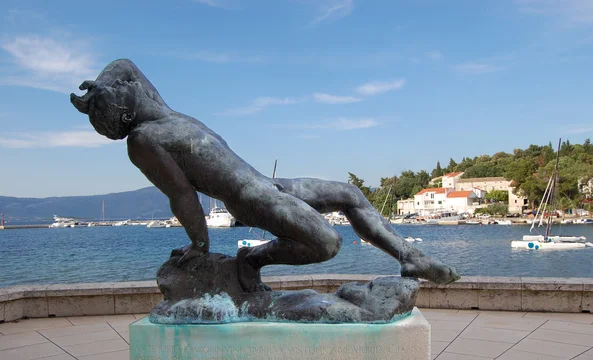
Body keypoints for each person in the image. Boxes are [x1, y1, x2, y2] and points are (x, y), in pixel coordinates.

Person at [71, 59, 460, 292]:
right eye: (120, 92)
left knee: (350, 193)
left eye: (121, 86)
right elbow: (180, 195)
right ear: (124, 113)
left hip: (270, 183)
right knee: (327, 244)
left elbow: (124, 65)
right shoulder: (143, 139)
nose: (129, 85)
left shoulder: (163, 111)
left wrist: (99, 86)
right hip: (251, 199)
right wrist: (200, 243)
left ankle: (410, 258)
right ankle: (252, 260)